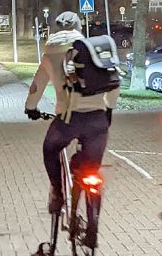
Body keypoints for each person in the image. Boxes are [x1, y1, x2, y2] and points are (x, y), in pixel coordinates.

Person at [25, 11, 120, 215]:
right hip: (97, 119)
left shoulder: (50, 54)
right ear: (79, 27)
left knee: (50, 148)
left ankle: (58, 191)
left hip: (69, 120)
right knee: (92, 167)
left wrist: (30, 107)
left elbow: (36, 86)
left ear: (57, 28)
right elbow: (113, 80)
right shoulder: (90, 50)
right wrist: (109, 108)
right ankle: (91, 227)